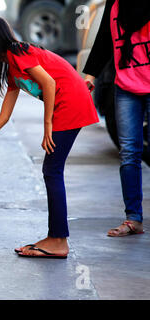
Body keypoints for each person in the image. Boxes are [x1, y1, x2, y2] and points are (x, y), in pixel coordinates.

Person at [0, 16, 99, 258]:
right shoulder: (11, 69)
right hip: (69, 102)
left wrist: (48, 125)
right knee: (52, 170)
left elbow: (49, 82)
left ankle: (58, 240)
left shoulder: (18, 53)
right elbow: (4, 115)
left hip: (70, 104)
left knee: (52, 170)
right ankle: (55, 237)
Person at [83, 0, 150, 237]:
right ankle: (133, 219)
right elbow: (103, 40)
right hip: (126, 87)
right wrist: (90, 76)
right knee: (129, 152)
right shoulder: (114, 3)